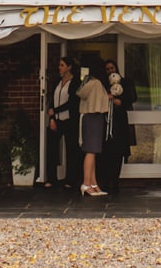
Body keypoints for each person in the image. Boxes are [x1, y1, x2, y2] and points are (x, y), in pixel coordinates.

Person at [76, 57, 110, 196]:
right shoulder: (95, 83)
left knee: (93, 151)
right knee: (91, 151)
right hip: (92, 116)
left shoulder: (90, 82)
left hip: (91, 116)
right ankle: (86, 183)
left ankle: (93, 182)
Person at [44, 57, 79, 188]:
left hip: (69, 120)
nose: (60, 67)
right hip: (57, 120)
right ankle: (51, 178)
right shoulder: (58, 82)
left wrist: (55, 110)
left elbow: (72, 103)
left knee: (71, 150)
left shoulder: (75, 82)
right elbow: (52, 99)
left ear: (69, 67)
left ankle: (70, 179)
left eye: (62, 65)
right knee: (52, 149)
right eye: (59, 65)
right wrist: (52, 118)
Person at [98, 58, 129, 195]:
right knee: (106, 152)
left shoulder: (125, 82)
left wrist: (120, 102)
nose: (110, 71)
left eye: (112, 68)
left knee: (118, 152)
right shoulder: (103, 85)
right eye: (108, 69)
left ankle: (115, 179)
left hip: (119, 122)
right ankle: (105, 180)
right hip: (106, 121)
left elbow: (131, 98)